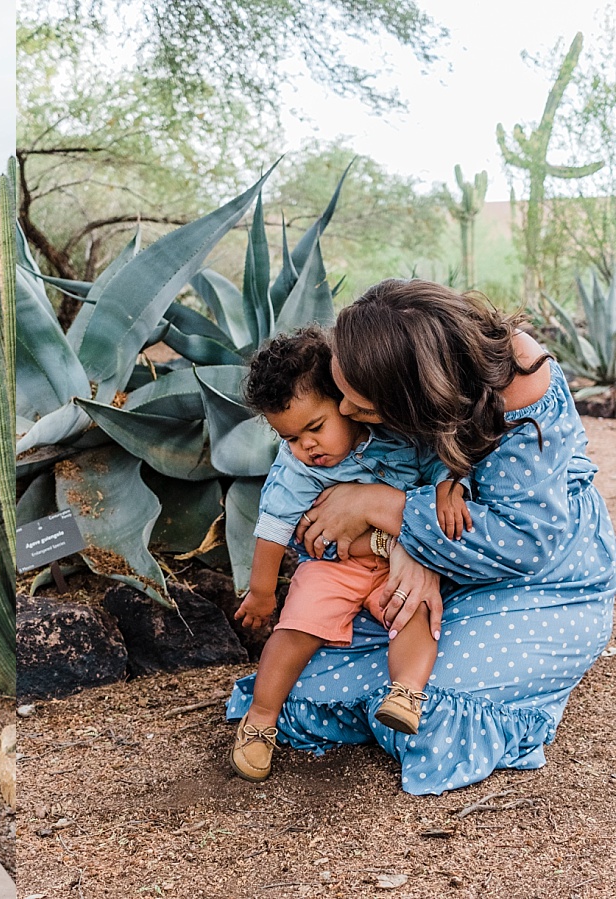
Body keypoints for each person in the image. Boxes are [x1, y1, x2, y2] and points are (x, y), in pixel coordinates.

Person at [227, 279, 616, 795]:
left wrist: (385, 509)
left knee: (433, 717)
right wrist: (404, 547)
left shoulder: (518, 380)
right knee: (300, 690)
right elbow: (311, 529)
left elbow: (522, 544)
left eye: (360, 408)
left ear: (415, 400)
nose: (343, 414)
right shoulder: (344, 388)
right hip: (423, 562)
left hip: (540, 576)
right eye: (339, 397)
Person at [229, 327, 468, 782]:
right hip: (335, 564)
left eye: (314, 428)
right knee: (301, 623)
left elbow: (438, 455)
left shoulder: (394, 431)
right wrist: (262, 592)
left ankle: (406, 693)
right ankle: (260, 718)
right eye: (291, 438)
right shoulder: (297, 467)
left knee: (415, 609)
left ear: (344, 398)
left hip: (404, 556)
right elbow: (275, 525)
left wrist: (449, 487)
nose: (306, 447)